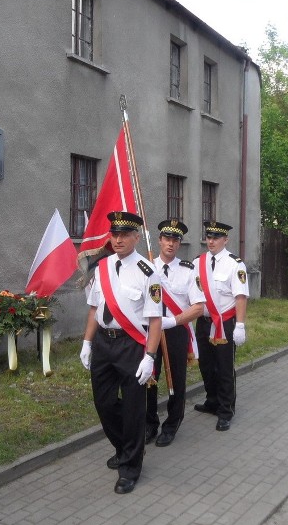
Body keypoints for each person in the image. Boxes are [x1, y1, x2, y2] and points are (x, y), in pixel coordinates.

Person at [80, 211, 163, 494]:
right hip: (104, 342)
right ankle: (124, 445)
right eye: (114, 234)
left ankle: (130, 466)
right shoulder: (102, 267)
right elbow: (94, 309)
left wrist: (150, 357)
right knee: (103, 403)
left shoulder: (148, 273)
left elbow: (154, 321)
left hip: (132, 344)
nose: (117, 239)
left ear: (136, 238)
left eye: (124, 235)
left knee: (133, 408)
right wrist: (87, 343)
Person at [146, 219, 207, 447]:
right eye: (167, 239)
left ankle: (172, 424)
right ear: (160, 240)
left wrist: (172, 321)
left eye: (175, 240)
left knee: (176, 380)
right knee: (149, 378)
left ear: (179, 243)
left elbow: (198, 307)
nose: (170, 244)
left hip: (175, 331)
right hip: (149, 332)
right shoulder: (147, 267)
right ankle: (149, 423)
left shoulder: (188, 271)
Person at [193, 221, 249, 431]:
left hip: (225, 323)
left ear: (226, 239)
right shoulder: (198, 262)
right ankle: (212, 401)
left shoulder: (235, 264)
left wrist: (240, 325)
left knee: (224, 369)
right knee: (206, 366)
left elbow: (241, 297)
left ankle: (226, 410)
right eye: (208, 237)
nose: (211, 241)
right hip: (204, 322)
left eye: (216, 237)